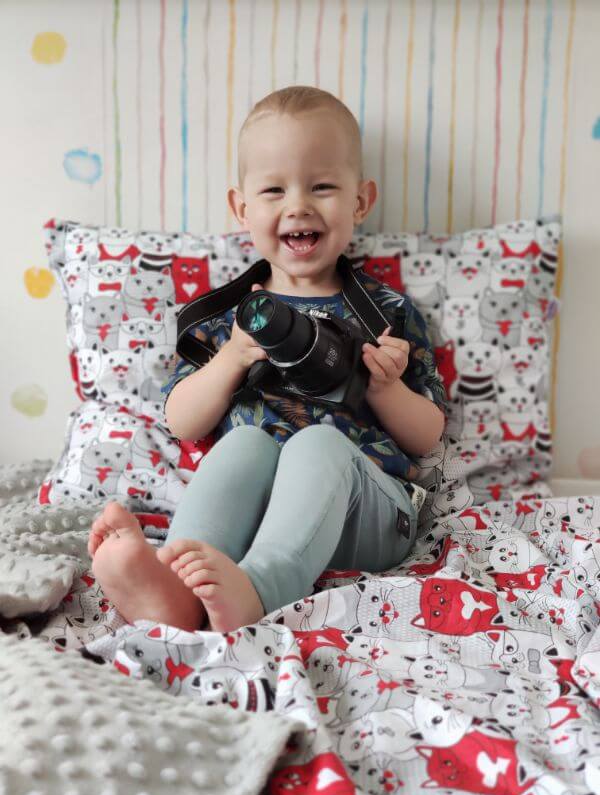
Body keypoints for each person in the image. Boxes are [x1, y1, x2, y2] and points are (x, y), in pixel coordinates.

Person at [87, 85, 447, 634]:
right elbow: (181, 421)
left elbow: (427, 437)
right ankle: (175, 588)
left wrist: (384, 388)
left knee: (318, 443)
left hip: (367, 516)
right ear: (242, 208)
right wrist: (231, 357)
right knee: (244, 445)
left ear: (360, 201)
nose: (297, 205)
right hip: (253, 520)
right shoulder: (227, 318)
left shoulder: (385, 313)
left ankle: (260, 588)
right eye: (274, 189)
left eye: (322, 186)